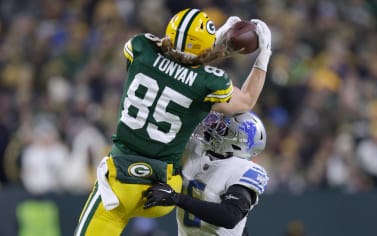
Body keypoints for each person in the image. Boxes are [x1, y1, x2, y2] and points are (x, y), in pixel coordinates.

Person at [74, 8, 272, 236]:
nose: (215, 126)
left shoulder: (141, 47)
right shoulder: (209, 83)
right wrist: (263, 54)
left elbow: (172, 54)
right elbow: (245, 100)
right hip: (163, 186)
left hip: (120, 180)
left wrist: (217, 42)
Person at [144, 111, 269, 235]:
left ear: (240, 141)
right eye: (214, 123)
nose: (211, 127)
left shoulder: (242, 169)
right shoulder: (194, 149)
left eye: (220, 128)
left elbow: (231, 216)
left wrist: (176, 198)